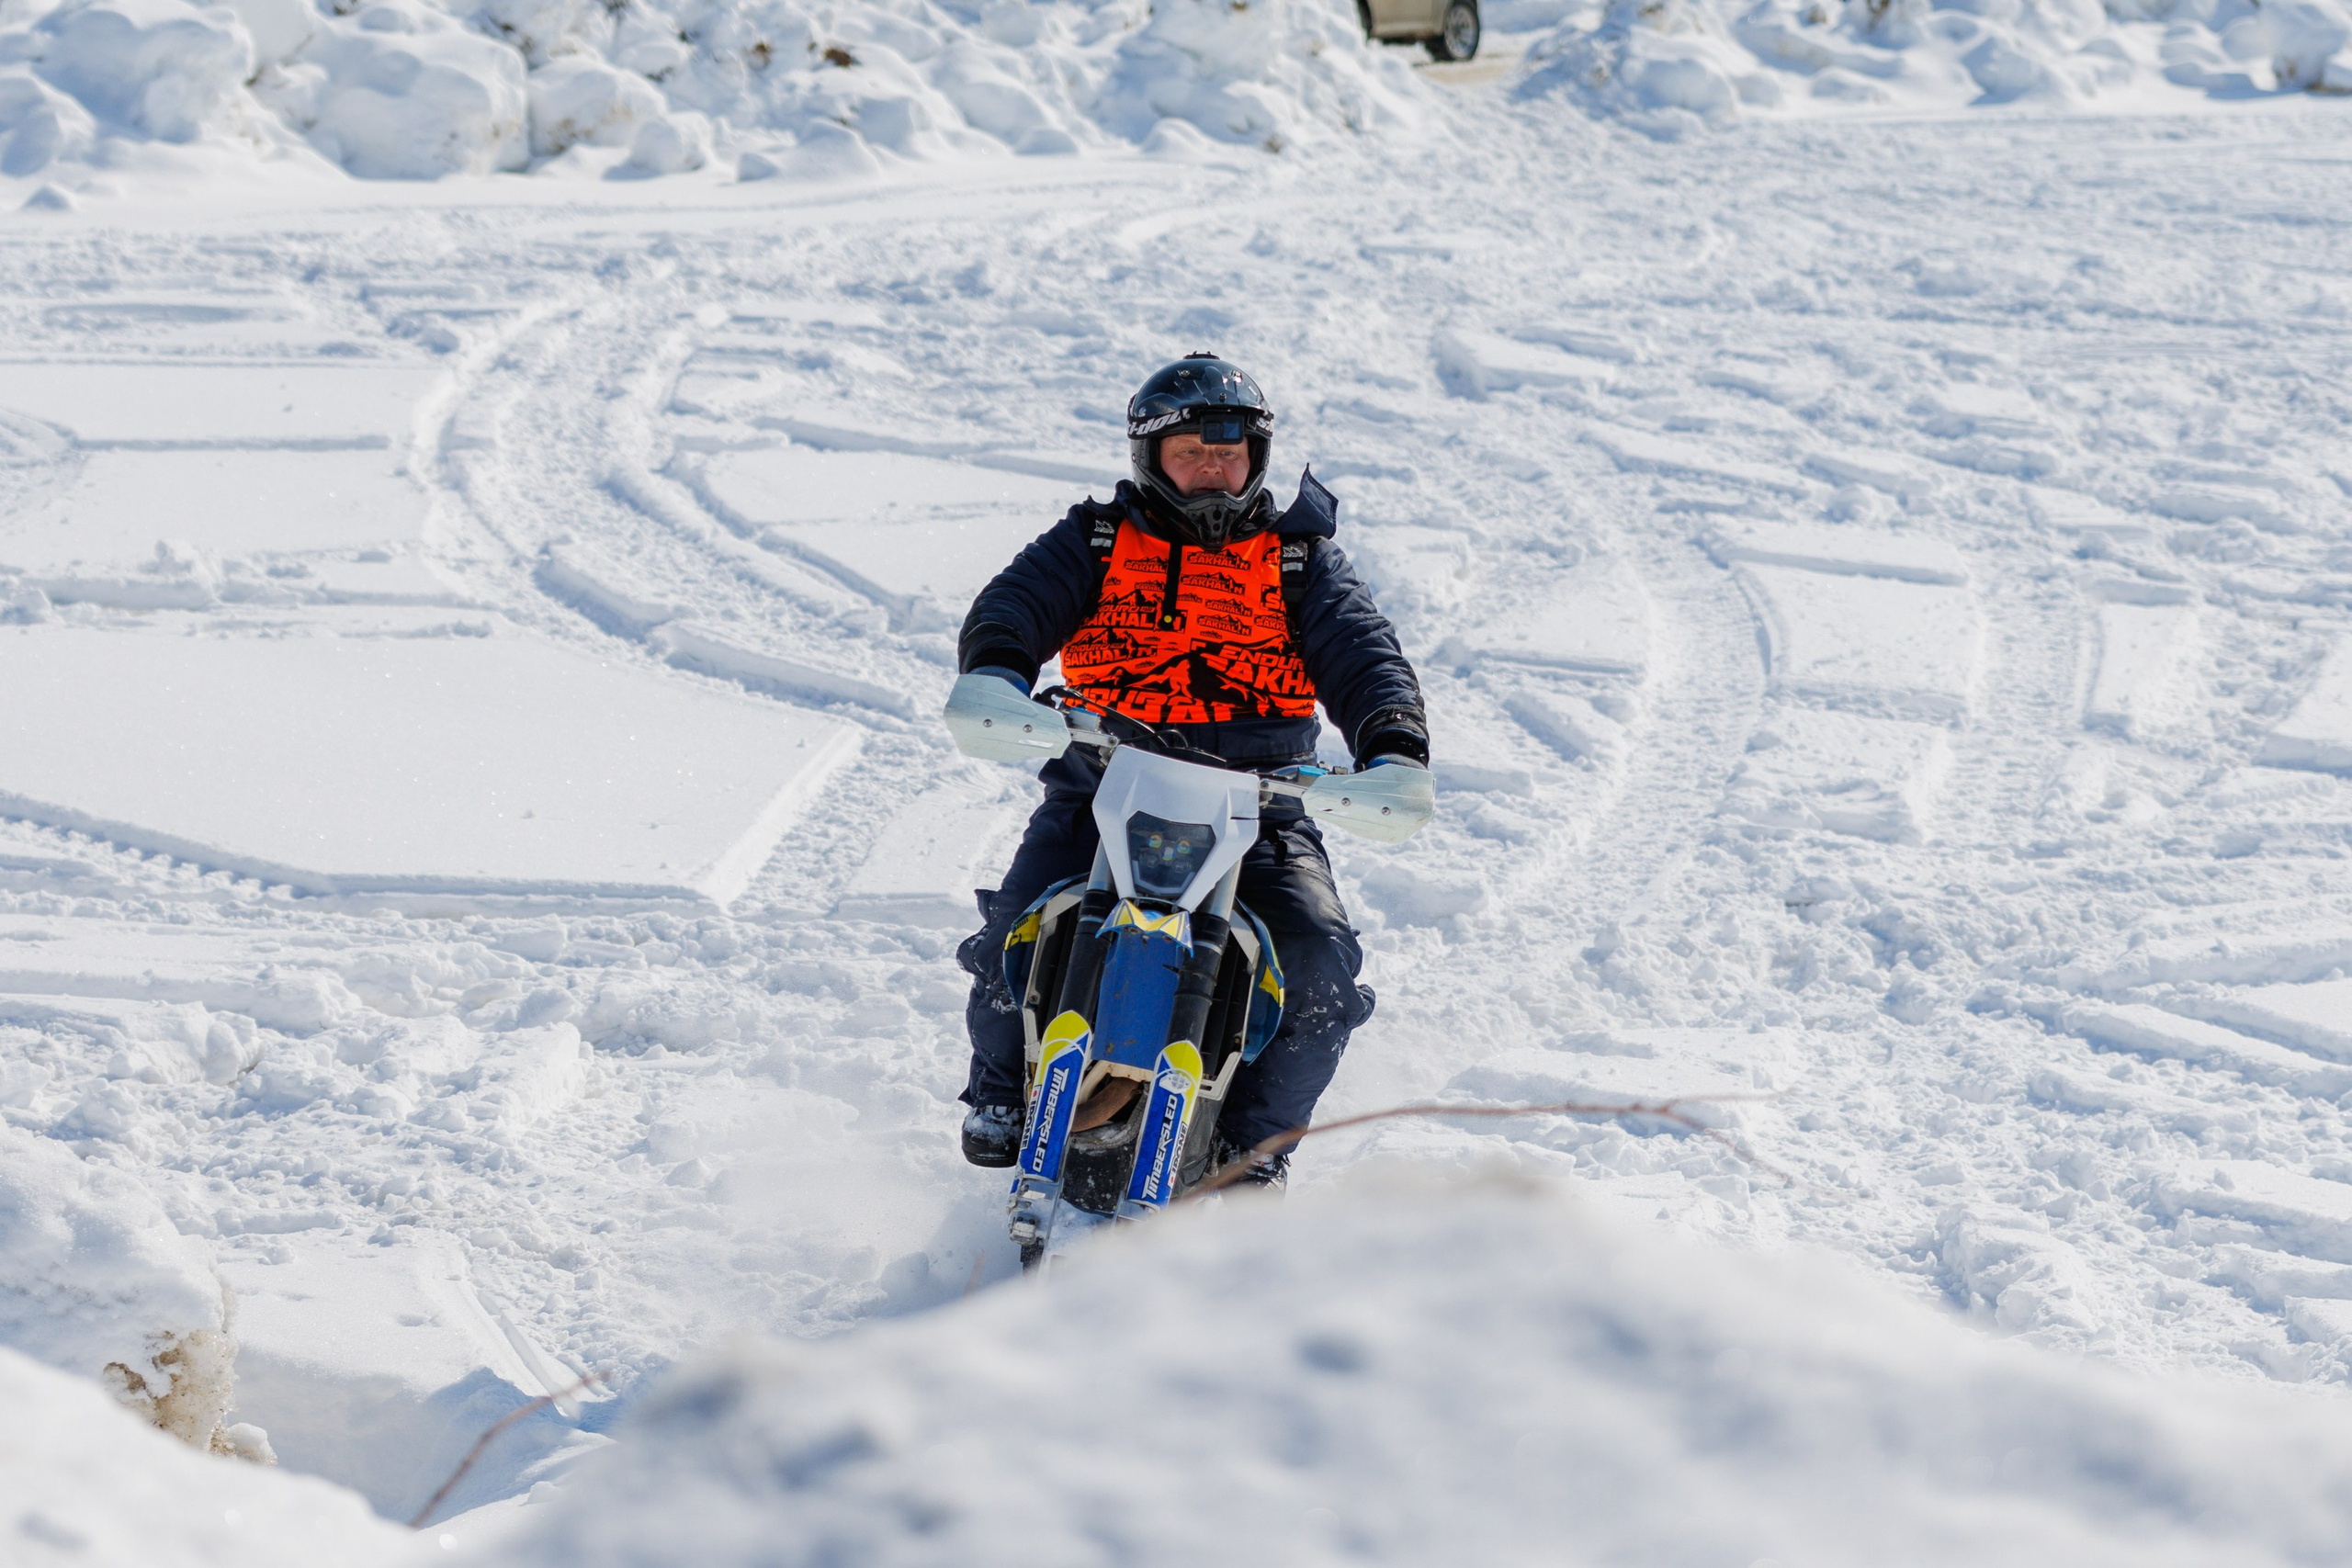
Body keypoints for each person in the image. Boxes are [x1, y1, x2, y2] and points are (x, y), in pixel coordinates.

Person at [952, 352, 1430, 1189]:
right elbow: (1016, 604)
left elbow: (1364, 654)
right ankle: (999, 1095)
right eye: (1191, 454)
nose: (1213, 471)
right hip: (1102, 781)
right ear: (1151, 459)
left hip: (1262, 805)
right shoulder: (1096, 540)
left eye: (1229, 454)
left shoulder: (1297, 560)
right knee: (1012, 931)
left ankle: (1252, 1160)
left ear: (1256, 458)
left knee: (1320, 965)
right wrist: (996, 671)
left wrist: (1394, 745)